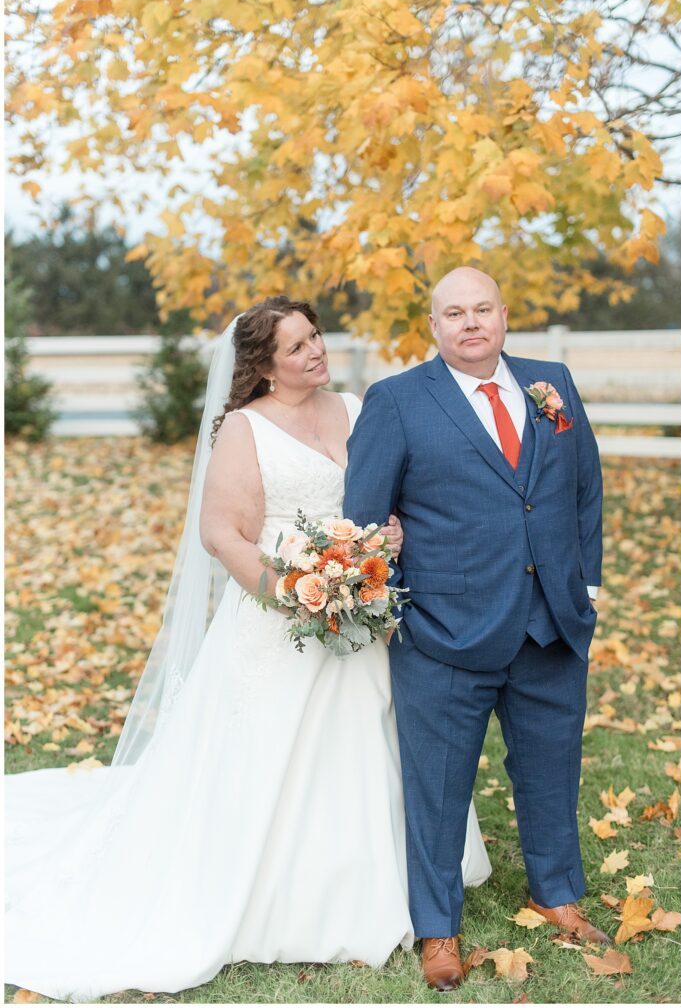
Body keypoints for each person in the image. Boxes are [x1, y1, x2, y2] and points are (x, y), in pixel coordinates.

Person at [5, 295, 491, 1002]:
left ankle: (397, 884)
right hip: (279, 623)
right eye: (296, 347)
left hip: (364, 617)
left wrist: (385, 539)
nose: (315, 352)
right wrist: (295, 593)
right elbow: (223, 534)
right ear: (262, 367)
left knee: (384, 743)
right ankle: (280, 895)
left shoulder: (358, 407)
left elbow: (393, 495)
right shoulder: (244, 429)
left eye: (316, 337)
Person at [343, 267, 608, 991]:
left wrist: (584, 584)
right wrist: (398, 608)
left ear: (501, 313)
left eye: (481, 309)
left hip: (551, 621)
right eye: (452, 312)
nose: (469, 323)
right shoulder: (396, 402)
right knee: (437, 787)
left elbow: (583, 485)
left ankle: (554, 893)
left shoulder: (548, 383)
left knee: (550, 771)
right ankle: (437, 929)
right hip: (443, 632)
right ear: (433, 325)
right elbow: (364, 520)